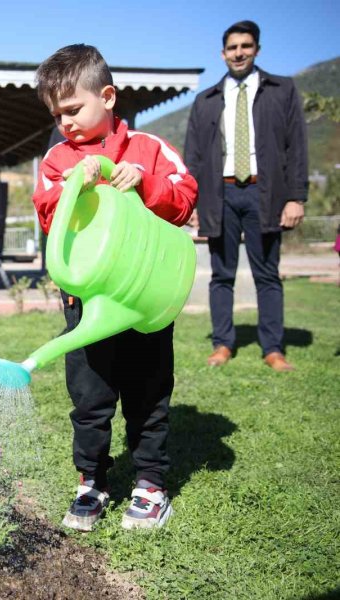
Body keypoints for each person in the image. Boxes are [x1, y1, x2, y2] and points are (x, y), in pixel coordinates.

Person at [32, 44, 197, 531]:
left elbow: (185, 200)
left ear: (107, 96)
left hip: (143, 300)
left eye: (73, 109)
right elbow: (46, 213)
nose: (65, 123)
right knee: (89, 395)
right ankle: (91, 481)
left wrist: (146, 185)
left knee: (148, 394)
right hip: (86, 304)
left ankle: (150, 485)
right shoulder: (57, 158)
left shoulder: (148, 149)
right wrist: (72, 187)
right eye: (56, 114)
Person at [184, 20, 307, 372]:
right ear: (222, 53)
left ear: (257, 50)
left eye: (246, 46)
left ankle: (273, 348)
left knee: (267, 274)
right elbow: (192, 156)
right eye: (233, 47)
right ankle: (222, 344)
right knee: (221, 274)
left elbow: (296, 146)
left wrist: (296, 197)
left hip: (264, 193)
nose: (239, 53)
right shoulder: (205, 101)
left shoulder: (282, 91)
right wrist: (192, 202)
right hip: (218, 194)